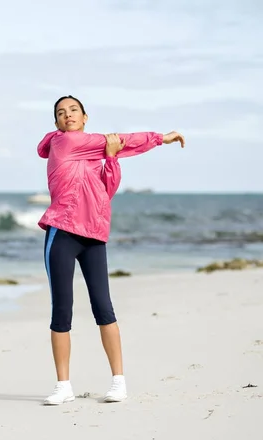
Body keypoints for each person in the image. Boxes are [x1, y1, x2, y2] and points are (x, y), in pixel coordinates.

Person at [37, 95, 185, 405]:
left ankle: (119, 382)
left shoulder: (95, 153)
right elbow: (123, 140)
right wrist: (161, 138)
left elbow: (107, 191)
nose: (68, 116)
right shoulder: (65, 143)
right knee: (61, 311)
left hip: (93, 236)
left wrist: (112, 157)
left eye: (73, 110)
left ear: (85, 116)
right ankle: (63, 386)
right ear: (57, 124)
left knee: (104, 309)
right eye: (61, 113)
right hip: (62, 233)